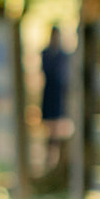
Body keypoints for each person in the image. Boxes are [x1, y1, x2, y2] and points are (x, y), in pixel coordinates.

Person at [40, 25, 72, 171]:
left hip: (59, 94)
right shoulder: (46, 53)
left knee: (59, 127)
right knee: (49, 127)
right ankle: (49, 157)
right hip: (49, 93)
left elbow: (65, 76)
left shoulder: (64, 55)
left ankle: (57, 158)